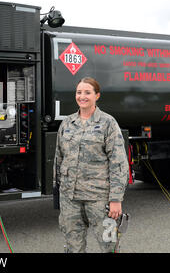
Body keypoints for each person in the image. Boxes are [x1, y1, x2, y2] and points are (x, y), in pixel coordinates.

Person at [53, 77, 129, 253]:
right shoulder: (67, 123)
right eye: (79, 92)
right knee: (73, 246)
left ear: (97, 96)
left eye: (87, 92)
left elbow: (118, 162)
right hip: (70, 198)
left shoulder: (108, 123)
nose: (82, 96)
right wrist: (58, 192)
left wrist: (116, 199)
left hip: (99, 198)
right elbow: (58, 158)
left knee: (109, 245)